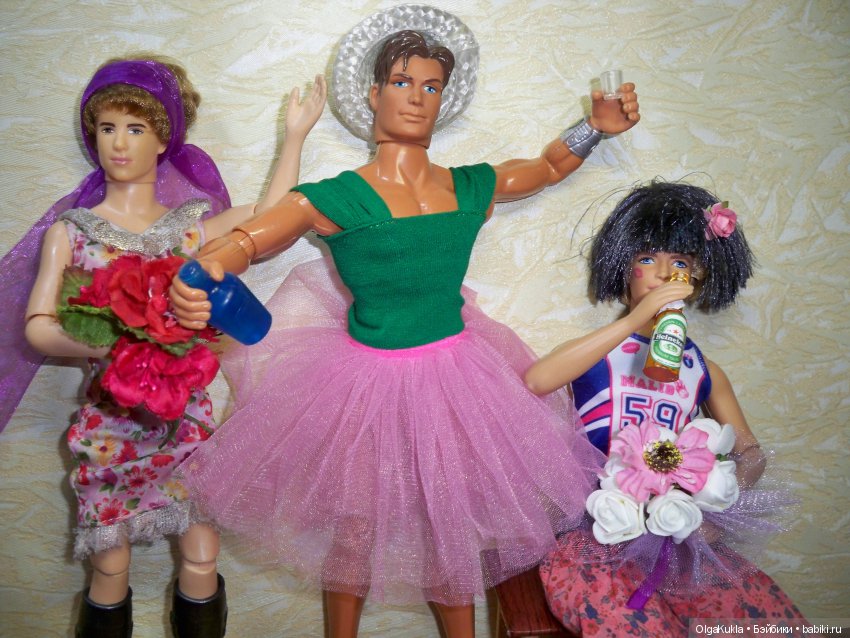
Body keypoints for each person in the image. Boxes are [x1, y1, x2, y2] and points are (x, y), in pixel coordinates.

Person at [170, 7, 638, 637]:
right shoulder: (334, 196)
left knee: (452, 523)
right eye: (401, 82)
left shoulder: (468, 186)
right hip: (363, 382)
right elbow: (253, 239)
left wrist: (595, 128)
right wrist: (207, 267)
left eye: (431, 86)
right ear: (373, 94)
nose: (417, 97)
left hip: (458, 374)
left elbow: (545, 168)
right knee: (354, 528)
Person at [14, 54, 325, 637]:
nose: (118, 143)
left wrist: (294, 137)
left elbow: (272, 218)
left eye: (136, 128)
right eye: (107, 127)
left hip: (185, 422)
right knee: (109, 565)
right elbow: (38, 326)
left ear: (163, 140)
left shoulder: (189, 229)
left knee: (201, 553)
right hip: (110, 426)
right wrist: (113, 340)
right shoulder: (72, 232)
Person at [525, 181, 808, 635]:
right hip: (597, 525)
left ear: (697, 278)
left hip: (677, 529)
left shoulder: (702, 368)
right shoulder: (599, 352)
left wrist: (713, 503)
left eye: (679, 262)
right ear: (624, 269)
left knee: (762, 619)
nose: (662, 274)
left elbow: (750, 451)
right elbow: (538, 380)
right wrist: (638, 319)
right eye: (646, 259)